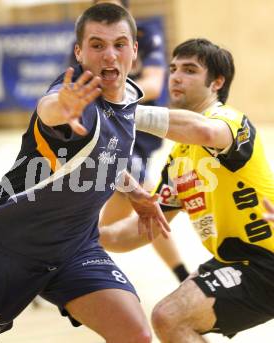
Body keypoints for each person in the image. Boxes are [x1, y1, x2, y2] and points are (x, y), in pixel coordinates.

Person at [0, 4, 171, 343]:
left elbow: (103, 157)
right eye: (97, 45)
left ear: (134, 48)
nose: (109, 55)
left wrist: (133, 192)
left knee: (136, 335)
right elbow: (50, 109)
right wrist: (62, 107)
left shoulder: (130, 97)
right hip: (10, 250)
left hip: (75, 249)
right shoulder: (75, 102)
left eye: (119, 44)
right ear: (79, 52)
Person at [100, 38, 274, 341]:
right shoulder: (179, 158)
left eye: (190, 70)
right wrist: (76, 233)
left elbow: (205, 131)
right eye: (174, 68)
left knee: (170, 316)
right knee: (173, 318)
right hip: (237, 264)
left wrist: (124, 113)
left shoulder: (230, 120)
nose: (176, 77)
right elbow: (141, 230)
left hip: (266, 261)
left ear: (216, 82)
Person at [89, 0, 190, 283]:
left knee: (102, 229)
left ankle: (54, 268)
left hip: (141, 137)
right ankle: (183, 276)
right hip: (108, 139)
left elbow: (155, 85)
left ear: (128, 13)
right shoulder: (86, 43)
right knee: (147, 199)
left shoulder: (146, 37)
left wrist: (111, 93)